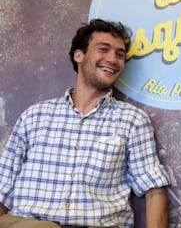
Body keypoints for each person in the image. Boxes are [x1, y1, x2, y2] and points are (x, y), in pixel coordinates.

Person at [0, 19, 170, 228]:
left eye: (120, 54)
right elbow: (2, 187)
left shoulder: (132, 120)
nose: (113, 59)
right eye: (103, 49)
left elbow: (155, 190)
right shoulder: (35, 116)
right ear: (79, 55)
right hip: (25, 223)